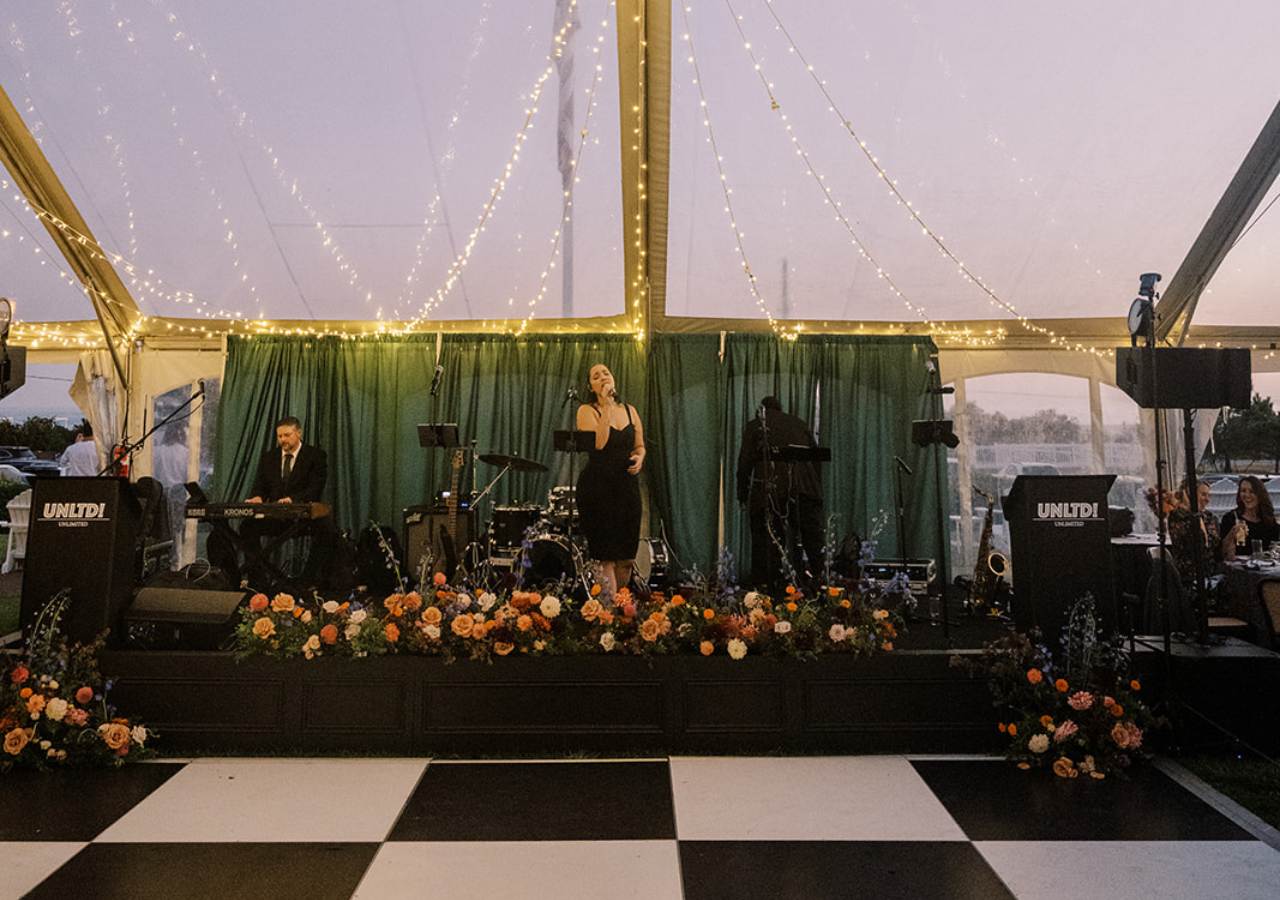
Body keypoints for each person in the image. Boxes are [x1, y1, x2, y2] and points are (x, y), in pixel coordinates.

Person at [214, 415, 334, 587]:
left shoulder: (316, 456)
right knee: (247, 526)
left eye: (287, 435)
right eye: (279, 436)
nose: (282, 440)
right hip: (276, 518)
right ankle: (258, 580)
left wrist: (293, 500)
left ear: (298, 433)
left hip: (302, 518)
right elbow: (260, 486)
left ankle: (308, 580)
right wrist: (258, 497)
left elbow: (315, 488)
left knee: (326, 528)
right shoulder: (269, 457)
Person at [736, 396, 823, 591]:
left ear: (762, 409)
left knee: (766, 540)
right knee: (812, 541)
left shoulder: (755, 426)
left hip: (771, 490)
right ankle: (822, 586)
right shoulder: (799, 423)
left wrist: (742, 493)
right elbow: (816, 459)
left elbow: (745, 462)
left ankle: (766, 587)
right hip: (805, 490)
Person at [575, 363, 645, 597]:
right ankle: (607, 616)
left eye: (606, 372)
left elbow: (639, 445)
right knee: (605, 557)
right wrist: (605, 406)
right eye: (596, 376)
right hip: (598, 489)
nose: (603, 377)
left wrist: (640, 457)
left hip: (626, 488)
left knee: (626, 557)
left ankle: (620, 610)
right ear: (591, 386)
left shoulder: (630, 410)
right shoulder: (587, 410)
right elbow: (599, 443)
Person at [1220, 475, 1280, 562]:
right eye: (1243, 491)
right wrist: (1231, 535)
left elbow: (1275, 549)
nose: (1247, 495)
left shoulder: (1268, 521)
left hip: (1264, 569)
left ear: (1260, 494)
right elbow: (1220, 553)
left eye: (1252, 491)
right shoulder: (1231, 518)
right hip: (1239, 569)